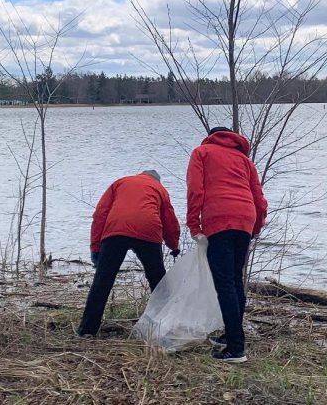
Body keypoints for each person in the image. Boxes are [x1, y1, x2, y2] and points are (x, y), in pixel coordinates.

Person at [186, 127, 268, 363]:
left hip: (219, 218)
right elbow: (259, 198)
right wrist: (255, 227)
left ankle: (235, 348)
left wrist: (194, 225)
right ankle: (230, 336)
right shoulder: (245, 160)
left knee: (224, 283)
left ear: (211, 137)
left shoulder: (201, 153)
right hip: (245, 218)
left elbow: (195, 191)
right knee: (234, 280)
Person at [77, 170, 181, 337]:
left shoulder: (120, 182)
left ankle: (87, 330)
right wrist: (173, 245)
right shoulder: (160, 189)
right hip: (148, 229)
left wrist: (95, 248)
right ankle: (166, 327)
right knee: (158, 280)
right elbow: (169, 220)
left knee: (102, 280)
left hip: (116, 230)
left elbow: (100, 214)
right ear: (157, 180)